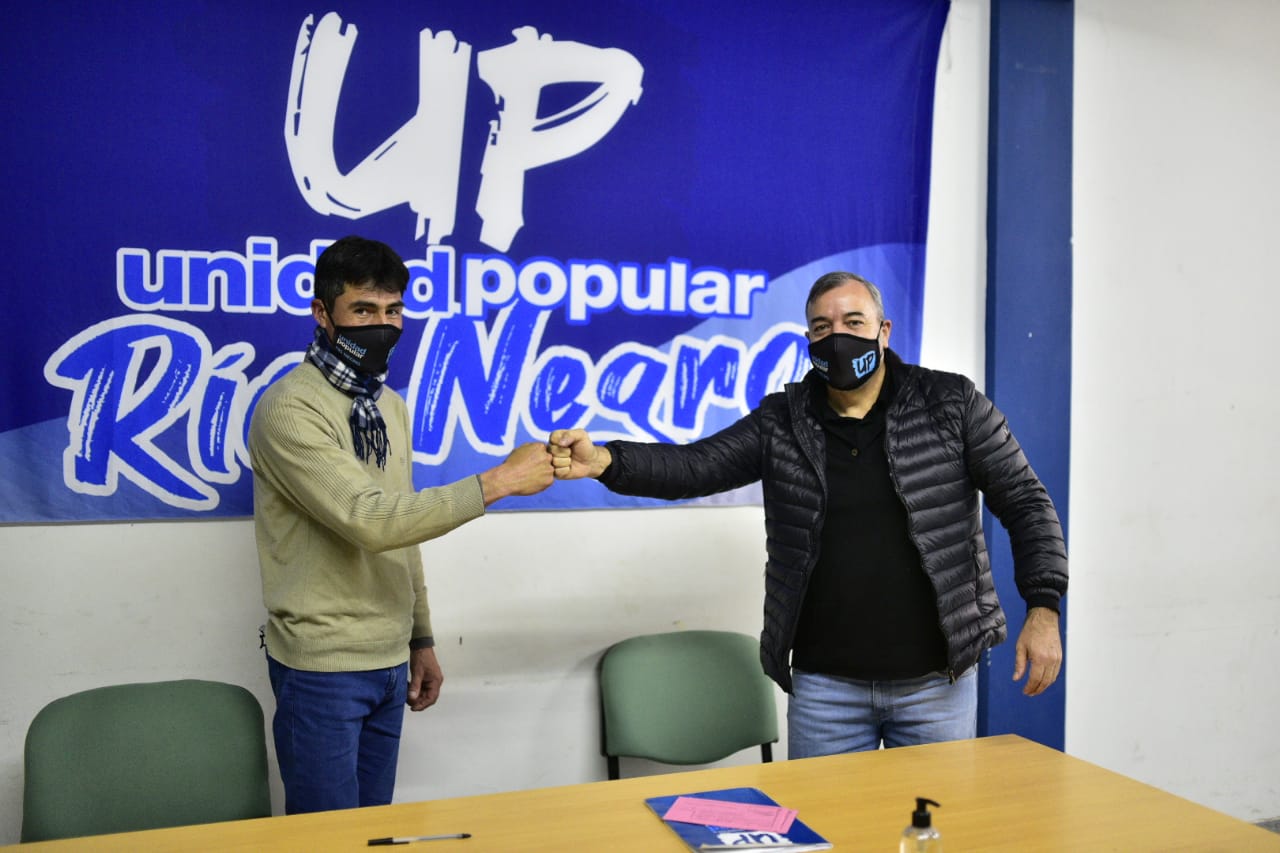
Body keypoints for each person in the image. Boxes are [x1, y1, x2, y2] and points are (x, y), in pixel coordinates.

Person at [549, 271, 1067, 758]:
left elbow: (1025, 500)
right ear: (808, 340)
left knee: (933, 819)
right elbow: (695, 466)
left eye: (853, 322)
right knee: (825, 823)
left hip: (936, 686)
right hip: (825, 691)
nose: (837, 337)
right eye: (822, 327)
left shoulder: (950, 403)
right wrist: (605, 461)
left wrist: (1043, 608)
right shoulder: (782, 420)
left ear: (883, 331)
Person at [248, 235, 554, 813]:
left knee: (373, 836)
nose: (382, 325)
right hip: (324, 669)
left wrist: (420, 638)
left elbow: (403, 527)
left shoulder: (388, 405)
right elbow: (372, 521)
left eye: (393, 311)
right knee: (325, 842)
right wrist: (500, 481)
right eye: (363, 310)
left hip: (390, 662)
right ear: (323, 314)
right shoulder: (290, 408)